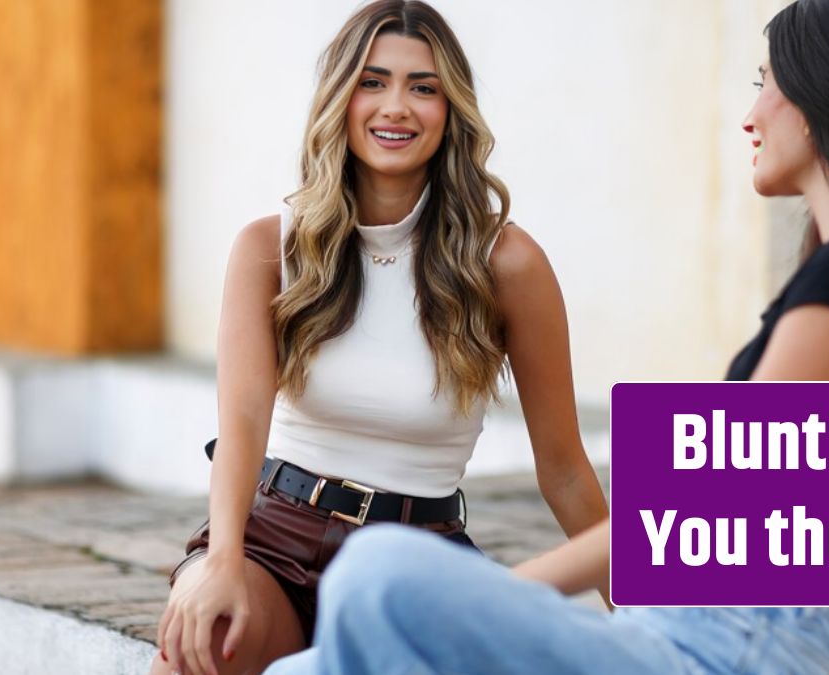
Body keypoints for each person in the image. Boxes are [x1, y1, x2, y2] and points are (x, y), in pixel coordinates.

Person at [265, 1, 829, 673]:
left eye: (765, 83)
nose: (751, 114)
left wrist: (494, 595)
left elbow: (716, 507)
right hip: (697, 639)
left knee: (380, 574)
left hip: (716, 649)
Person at [151, 2, 609, 674]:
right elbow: (242, 428)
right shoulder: (268, 250)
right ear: (340, 97)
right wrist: (219, 559)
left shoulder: (506, 263)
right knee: (201, 640)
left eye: (423, 87)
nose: (397, 106)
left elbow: (565, 469)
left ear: (451, 109)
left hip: (420, 553)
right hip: (276, 539)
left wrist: (660, 618)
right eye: (373, 81)